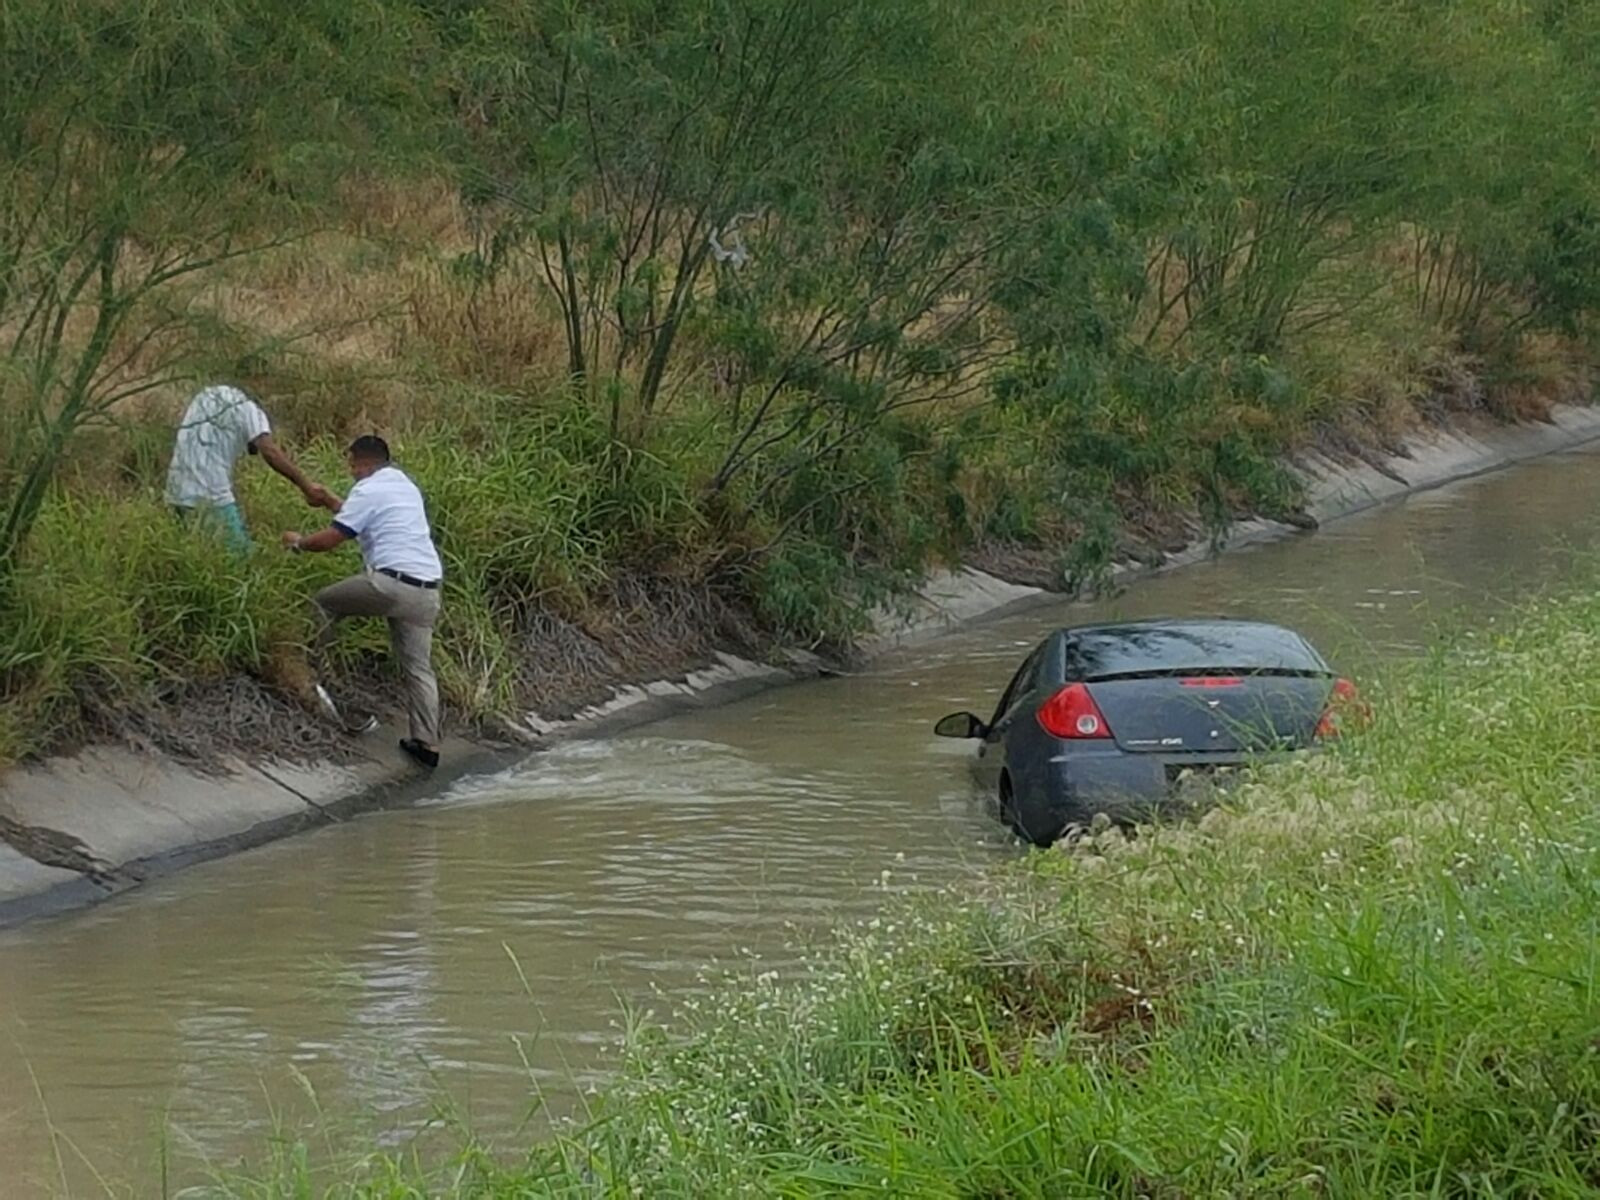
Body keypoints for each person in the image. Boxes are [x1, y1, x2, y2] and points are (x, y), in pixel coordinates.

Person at [281, 435, 444, 769]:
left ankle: (308, 673)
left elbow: (333, 539)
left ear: (364, 462)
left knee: (324, 602)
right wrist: (329, 501)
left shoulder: (368, 489)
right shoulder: (404, 485)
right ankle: (426, 744)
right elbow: (363, 519)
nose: (351, 470)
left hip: (390, 585)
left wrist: (298, 544)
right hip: (427, 591)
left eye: (352, 463)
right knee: (419, 668)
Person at [166, 383, 332, 550]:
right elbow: (269, 451)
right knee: (240, 562)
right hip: (210, 495)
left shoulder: (206, 396)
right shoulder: (247, 408)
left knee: (198, 553)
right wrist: (307, 487)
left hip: (175, 490)